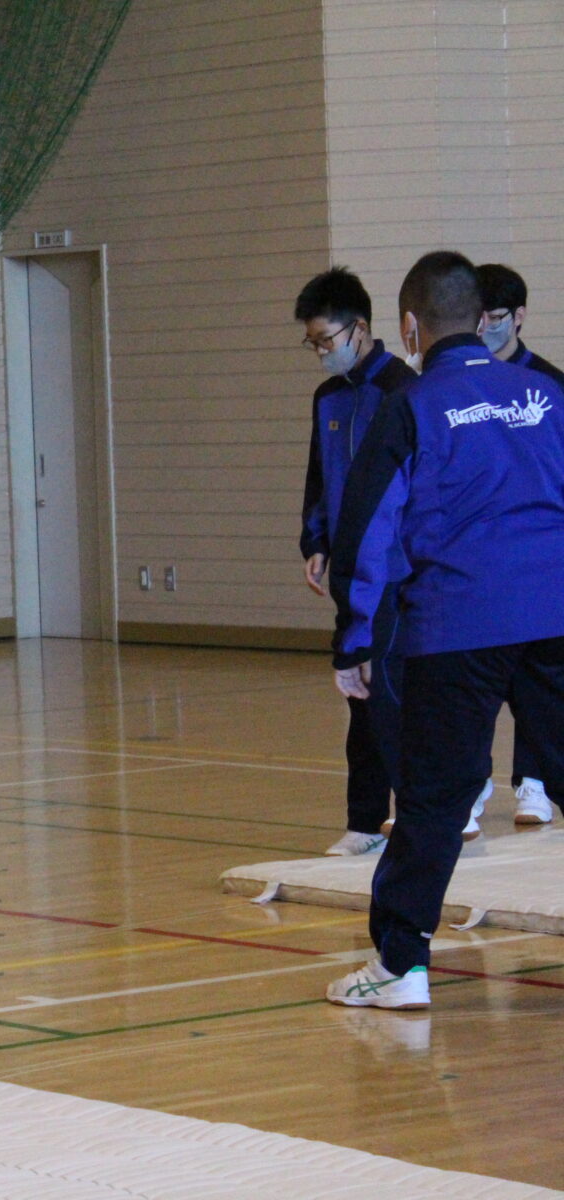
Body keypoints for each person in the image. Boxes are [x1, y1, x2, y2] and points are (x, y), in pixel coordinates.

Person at [325, 251, 564, 1010]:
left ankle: (401, 966)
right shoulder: (548, 395)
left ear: (408, 327)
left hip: (457, 624)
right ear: (483, 317)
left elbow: (365, 533)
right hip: (555, 615)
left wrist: (354, 641)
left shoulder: (413, 406)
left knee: (433, 799)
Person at [293, 268, 425, 856]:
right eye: (313, 344)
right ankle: (365, 821)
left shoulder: (402, 391)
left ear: (361, 328)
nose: (321, 352)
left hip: (395, 569)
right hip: (349, 568)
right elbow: (321, 477)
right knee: (360, 699)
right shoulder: (327, 398)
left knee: (394, 693)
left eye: (327, 340)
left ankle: (429, 815)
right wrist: (315, 541)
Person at [477, 263, 564, 828]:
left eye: (497, 317)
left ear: (520, 317)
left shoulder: (552, 386)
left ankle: (532, 781)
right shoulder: (458, 387)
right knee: (476, 678)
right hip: (479, 562)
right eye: (476, 316)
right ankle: (470, 785)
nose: (485, 327)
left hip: (540, 563)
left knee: (541, 679)